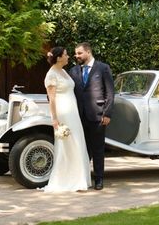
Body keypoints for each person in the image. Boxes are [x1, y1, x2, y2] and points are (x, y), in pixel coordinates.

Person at [42, 46, 91, 192]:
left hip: (73, 112)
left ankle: (79, 178)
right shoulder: (51, 75)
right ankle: (66, 179)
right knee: (67, 145)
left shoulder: (63, 71)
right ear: (58, 58)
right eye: (65, 54)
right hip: (63, 113)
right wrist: (54, 119)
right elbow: (51, 99)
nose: (68, 56)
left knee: (78, 143)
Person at [70, 42, 114, 190]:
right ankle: (81, 178)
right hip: (78, 117)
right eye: (76, 53)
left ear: (88, 52)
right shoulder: (73, 71)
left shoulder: (103, 68)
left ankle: (99, 179)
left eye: (79, 53)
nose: (77, 56)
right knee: (82, 149)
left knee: (97, 149)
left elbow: (110, 92)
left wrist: (107, 113)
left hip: (97, 115)